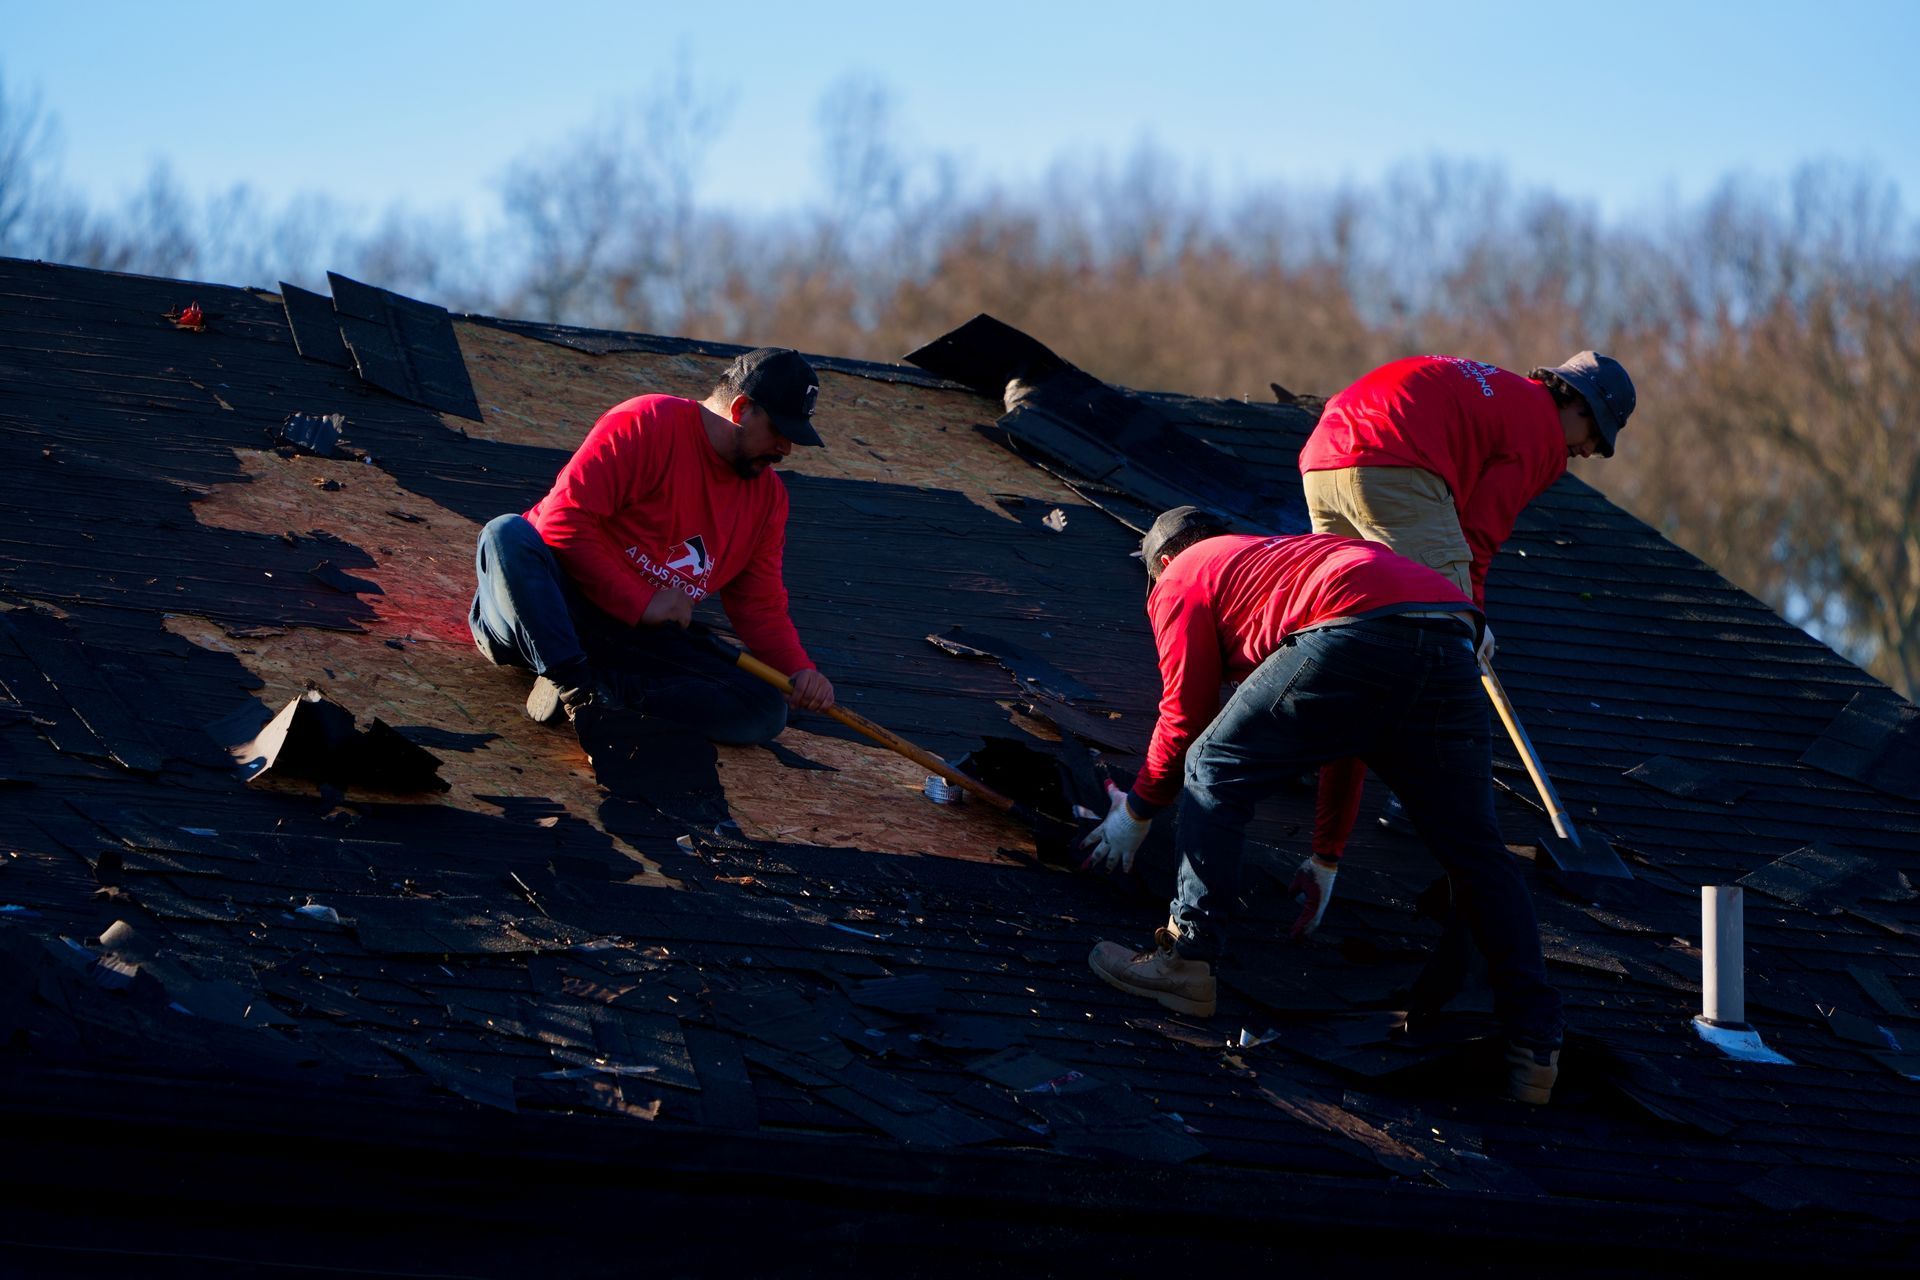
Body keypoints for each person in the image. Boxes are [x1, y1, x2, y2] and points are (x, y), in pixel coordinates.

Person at [1081, 507, 1566, 1103]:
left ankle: (1188, 959)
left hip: (1360, 627)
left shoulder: (1184, 574)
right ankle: (1534, 1046)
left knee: (1213, 766)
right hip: (1450, 632)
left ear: (1159, 563)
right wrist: (1326, 856)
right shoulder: (1280, 561)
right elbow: (1348, 728)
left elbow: (1185, 718)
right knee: (1475, 849)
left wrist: (1135, 811)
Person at [1291, 352, 1637, 935]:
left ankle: (1300, 753)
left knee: (1354, 641)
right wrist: (1467, 615)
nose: (1585, 453)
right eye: (1595, 436)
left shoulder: (1500, 396)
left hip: (1325, 461)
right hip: (1392, 463)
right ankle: (1426, 792)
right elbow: (1478, 531)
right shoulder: (1540, 434)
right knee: (1440, 645)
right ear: (1575, 403)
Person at [467, 347, 835, 747]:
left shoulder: (768, 500)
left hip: (630, 642)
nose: (786, 449)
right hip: (547, 609)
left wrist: (798, 671)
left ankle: (598, 689)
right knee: (506, 536)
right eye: (780, 431)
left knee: (763, 708)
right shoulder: (648, 422)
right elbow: (561, 523)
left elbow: (758, 607)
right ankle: (577, 689)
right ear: (742, 408)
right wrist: (643, 600)